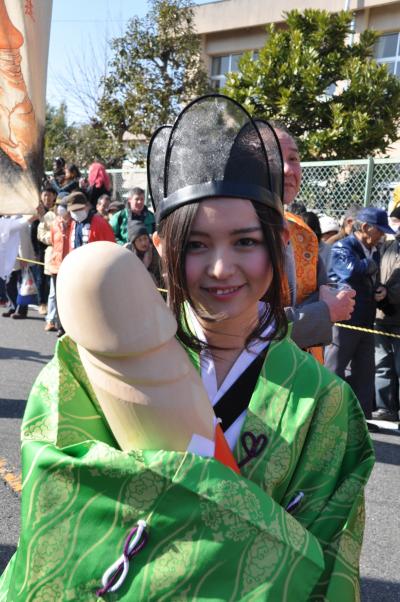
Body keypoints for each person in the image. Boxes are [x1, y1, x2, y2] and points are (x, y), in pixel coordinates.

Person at [0, 95, 374, 601]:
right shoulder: (87, 368)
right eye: (196, 245)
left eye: (245, 242)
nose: (221, 269)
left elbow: (330, 564)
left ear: (278, 241)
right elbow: (57, 504)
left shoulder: (324, 404)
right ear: (161, 248)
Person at [271, 123, 355, 352]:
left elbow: (319, 291)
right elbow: (244, 330)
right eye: (276, 158)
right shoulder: (236, 233)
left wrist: (334, 296)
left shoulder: (303, 234)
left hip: (305, 373)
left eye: (294, 159)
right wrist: (324, 311)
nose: (289, 169)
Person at [324, 206, 395, 430]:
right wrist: (370, 266)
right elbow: (349, 271)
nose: (382, 235)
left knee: (365, 370)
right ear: (365, 227)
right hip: (345, 318)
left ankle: (361, 418)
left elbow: (367, 277)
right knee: (334, 367)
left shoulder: (372, 249)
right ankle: (324, 413)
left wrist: (379, 289)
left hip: (365, 319)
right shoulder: (343, 247)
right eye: (379, 230)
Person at [372, 206, 400, 422]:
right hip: (382, 316)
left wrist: (388, 293)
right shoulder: (387, 247)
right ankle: (386, 408)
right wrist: (379, 290)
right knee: (382, 363)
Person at [30, 183, 57, 315]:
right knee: (41, 277)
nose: (47, 198)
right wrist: (35, 251)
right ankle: (42, 303)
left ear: (54, 197)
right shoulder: (37, 211)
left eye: (50, 195)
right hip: (41, 249)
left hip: (55, 248)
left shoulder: (56, 211)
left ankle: (51, 303)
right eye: (45, 195)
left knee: (51, 277)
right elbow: (33, 232)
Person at [48, 196, 72, 337]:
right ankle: (60, 326)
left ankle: (70, 326)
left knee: (69, 298)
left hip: (69, 265)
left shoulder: (74, 223)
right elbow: (53, 241)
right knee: (59, 298)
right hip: (56, 265)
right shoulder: (55, 223)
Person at [124, 220, 161, 285]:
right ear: (134, 242)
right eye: (139, 240)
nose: (143, 243)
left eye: (145, 238)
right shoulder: (127, 252)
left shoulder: (155, 249)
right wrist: (145, 265)